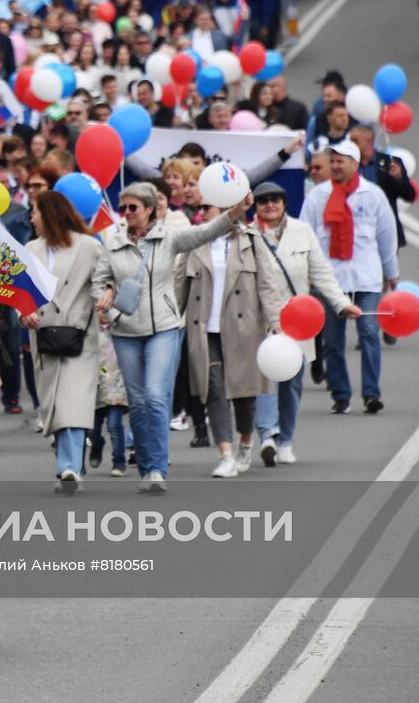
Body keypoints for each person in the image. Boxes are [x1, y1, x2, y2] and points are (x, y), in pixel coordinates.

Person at [92, 182, 250, 494]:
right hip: (125, 331)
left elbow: (206, 232)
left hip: (164, 328)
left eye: (133, 208)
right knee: (136, 403)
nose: (126, 214)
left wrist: (235, 213)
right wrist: (107, 307)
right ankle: (147, 464)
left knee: (154, 396)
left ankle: (157, 470)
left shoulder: (169, 237)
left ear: (150, 208)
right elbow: (99, 282)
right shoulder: (112, 243)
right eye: (123, 208)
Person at [250, 182, 359, 464]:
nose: (270, 204)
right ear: (255, 206)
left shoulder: (302, 232)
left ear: (285, 203)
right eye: (263, 201)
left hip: (299, 319)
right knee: (264, 377)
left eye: (275, 199)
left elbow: (321, 273)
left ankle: (285, 440)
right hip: (259, 319)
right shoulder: (246, 234)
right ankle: (267, 435)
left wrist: (341, 303)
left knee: (291, 381)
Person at [177, 203, 286, 478]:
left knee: (245, 393)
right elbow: (179, 286)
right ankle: (225, 454)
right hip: (204, 329)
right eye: (201, 208)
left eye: (208, 208)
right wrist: (166, 323)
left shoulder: (251, 240)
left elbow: (268, 286)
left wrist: (277, 325)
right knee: (214, 389)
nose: (201, 213)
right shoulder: (196, 240)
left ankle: (245, 443)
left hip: (244, 329)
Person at [298, 140, 399, 415]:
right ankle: (341, 394)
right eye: (333, 161)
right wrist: (305, 273)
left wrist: (392, 274)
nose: (335, 165)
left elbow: (386, 236)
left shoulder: (373, 195)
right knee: (332, 341)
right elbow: (304, 235)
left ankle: (371, 393)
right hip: (330, 280)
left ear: (355, 164)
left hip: (366, 277)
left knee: (368, 334)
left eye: (341, 161)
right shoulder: (318, 196)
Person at [23, 192, 102, 493]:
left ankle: (69, 467)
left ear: (50, 214)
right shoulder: (31, 249)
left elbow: (101, 284)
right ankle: (70, 464)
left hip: (77, 335)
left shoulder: (89, 247)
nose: (32, 218)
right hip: (43, 335)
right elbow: (21, 293)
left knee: (73, 402)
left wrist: (104, 305)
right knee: (54, 404)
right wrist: (24, 313)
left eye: (36, 212)